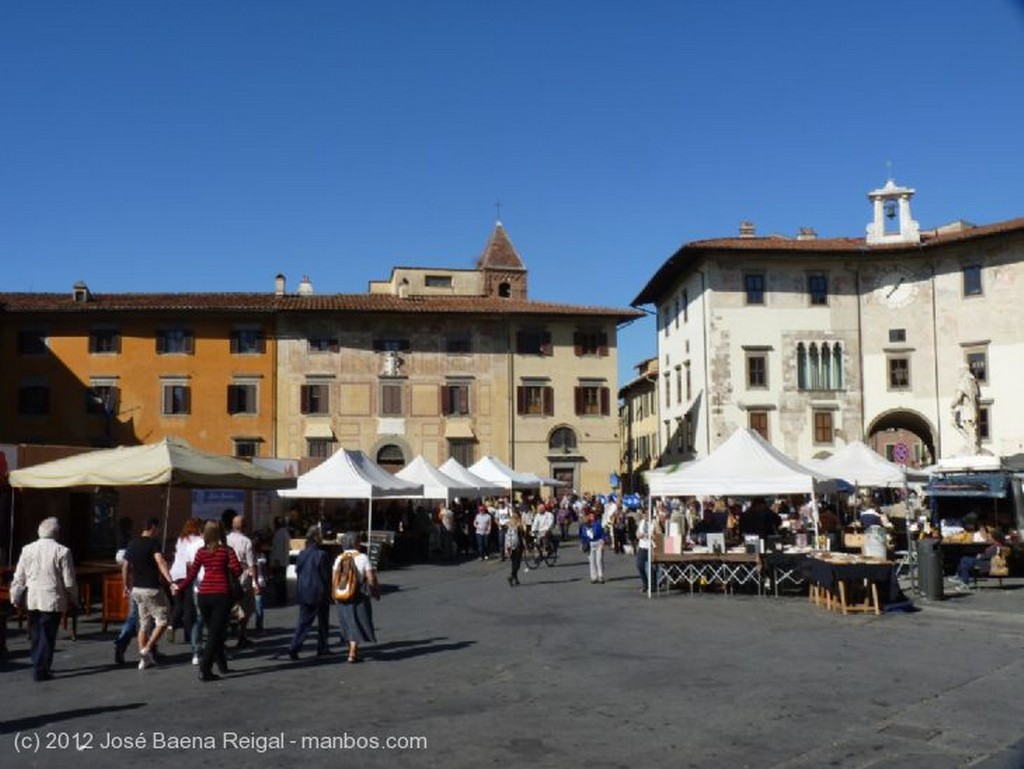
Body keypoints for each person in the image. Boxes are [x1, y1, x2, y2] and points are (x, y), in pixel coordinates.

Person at [9, 517, 77, 681]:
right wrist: (74, 597)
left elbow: (19, 576)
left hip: (32, 598)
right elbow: (69, 581)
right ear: (56, 533)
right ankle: (41, 668)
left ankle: (38, 663)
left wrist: (15, 595)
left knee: (36, 634)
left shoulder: (27, 549)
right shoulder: (62, 551)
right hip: (52, 598)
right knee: (48, 635)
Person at [173, 520, 242, 682]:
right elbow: (237, 570)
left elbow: (191, 574)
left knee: (213, 630)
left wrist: (179, 587)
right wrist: (226, 569)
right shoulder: (227, 551)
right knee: (214, 633)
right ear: (220, 533)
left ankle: (222, 665)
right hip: (221, 595)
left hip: (204, 595)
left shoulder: (201, 552)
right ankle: (205, 668)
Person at [122, 517, 174, 670]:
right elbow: (160, 561)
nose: (158, 531)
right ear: (152, 527)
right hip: (151, 588)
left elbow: (125, 566)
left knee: (143, 624)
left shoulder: (132, 544)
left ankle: (144, 659)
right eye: (157, 528)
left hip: (136, 589)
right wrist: (170, 580)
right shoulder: (153, 543)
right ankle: (147, 648)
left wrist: (126, 585)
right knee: (163, 620)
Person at [333, 532, 380, 663]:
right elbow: (371, 577)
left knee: (347, 622)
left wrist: (335, 595)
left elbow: (334, 579)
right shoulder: (363, 557)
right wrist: (374, 591)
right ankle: (353, 651)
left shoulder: (339, 558)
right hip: (358, 594)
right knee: (358, 621)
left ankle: (351, 649)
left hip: (342, 594)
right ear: (356, 543)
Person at [287, 527, 331, 659]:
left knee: (304, 622)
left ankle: (295, 646)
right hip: (319, 591)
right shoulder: (321, 555)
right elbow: (326, 575)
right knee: (322, 621)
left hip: (304, 590)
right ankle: (321, 647)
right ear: (317, 538)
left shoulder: (302, 554)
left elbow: (297, 570)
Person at [169, 517, 203, 663]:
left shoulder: (180, 539)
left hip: (175, 573)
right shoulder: (197, 540)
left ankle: (171, 625)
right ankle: (190, 635)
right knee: (189, 607)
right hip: (187, 574)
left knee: (178, 603)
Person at [226, 512, 259, 648]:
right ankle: (241, 635)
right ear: (244, 526)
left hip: (227, 576)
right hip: (243, 577)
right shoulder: (246, 541)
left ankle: (226, 631)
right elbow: (251, 564)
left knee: (228, 606)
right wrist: (255, 582)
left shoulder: (225, 539)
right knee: (245, 608)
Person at [579, 510, 606, 584]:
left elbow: (602, 534)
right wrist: (581, 544)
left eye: (593, 516)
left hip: (598, 542)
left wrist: (603, 542)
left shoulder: (597, 524)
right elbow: (581, 536)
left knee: (599, 560)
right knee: (592, 561)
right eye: (590, 516)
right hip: (589, 544)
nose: (592, 517)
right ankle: (593, 577)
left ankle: (600, 576)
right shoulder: (583, 526)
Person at [270, 515, 292, 606]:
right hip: (283, 560)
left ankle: (280, 599)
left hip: (278, 562)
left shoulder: (279, 534)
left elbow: (278, 549)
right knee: (282, 581)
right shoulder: (285, 532)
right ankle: (282, 598)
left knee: (279, 582)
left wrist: (276, 561)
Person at [505, 512, 526, 587]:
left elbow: (507, 537)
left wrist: (507, 547)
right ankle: (512, 576)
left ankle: (515, 578)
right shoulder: (518, 526)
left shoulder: (509, 526)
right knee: (517, 563)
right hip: (517, 545)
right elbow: (523, 535)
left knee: (514, 562)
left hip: (511, 546)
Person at [635, 511, 654, 594]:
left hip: (651, 547)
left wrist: (652, 535)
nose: (646, 516)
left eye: (647, 514)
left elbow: (658, 534)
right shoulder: (641, 522)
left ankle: (652, 585)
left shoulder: (654, 522)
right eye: (644, 514)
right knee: (640, 565)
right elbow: (637, 533)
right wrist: (639, 535)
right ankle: (645, 584)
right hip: (642, 546)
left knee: (651, 568)